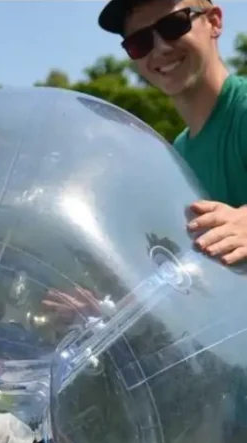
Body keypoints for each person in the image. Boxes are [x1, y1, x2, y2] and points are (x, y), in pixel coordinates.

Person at [98, 0, 247, 264]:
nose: (161, 48)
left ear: (214, 22)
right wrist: (106, 302)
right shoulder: (176, 158)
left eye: (174, 25)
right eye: (140, 42)